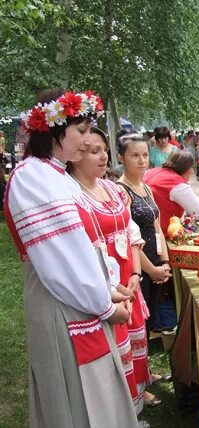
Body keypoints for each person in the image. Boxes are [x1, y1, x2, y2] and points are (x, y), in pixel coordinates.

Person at [4, 88, 137, 427]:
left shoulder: (54, 174)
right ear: (52, 130)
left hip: (79, 296)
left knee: (92, 392)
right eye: (79, 131)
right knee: (75, 398)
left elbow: (79, 248)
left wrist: (106, 287)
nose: (85, 139)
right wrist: (105, 303)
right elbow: (61, 258)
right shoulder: (34, 177)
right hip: (63, 302)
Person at [69, 127, 154, 414]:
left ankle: (138, 399)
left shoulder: (113, 189)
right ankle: (122, 409)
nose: (103, 156)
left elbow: (131, 230)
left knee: (133, 334)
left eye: (104, 149)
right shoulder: (70, 195)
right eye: (94, 151)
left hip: (128, 276)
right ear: (75, 155)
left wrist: (135, 273)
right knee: (116, 343)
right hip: (105, 282)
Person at [116, 133, 173, 334]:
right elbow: (129, 237)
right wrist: (150, 270)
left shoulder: (146, 188)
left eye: (145, 155)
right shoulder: (120, 191)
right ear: (121, 157)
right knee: (137, 322)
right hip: (138, 267)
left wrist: (164, 262)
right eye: (135, 156)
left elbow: (157, 227)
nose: (142, 161)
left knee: (149, 319)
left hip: (155, 263)